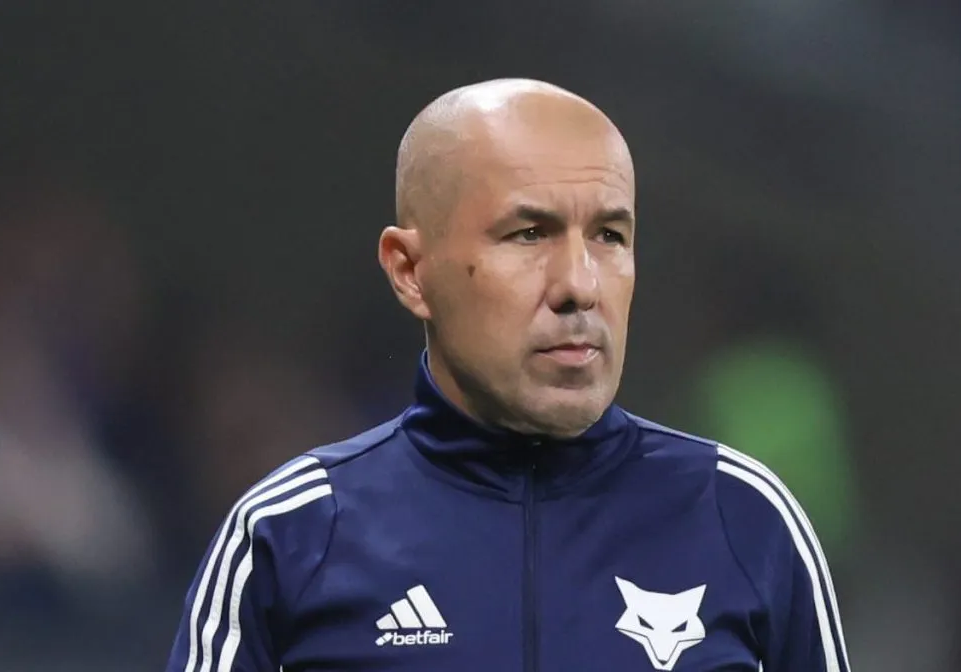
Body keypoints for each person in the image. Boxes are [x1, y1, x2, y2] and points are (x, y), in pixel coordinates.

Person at [165, 78, 851, 672]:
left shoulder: (746, 519)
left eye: (610, 236)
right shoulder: (292, 535)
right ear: (410, 271)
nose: (580, 285)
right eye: (529, 234)